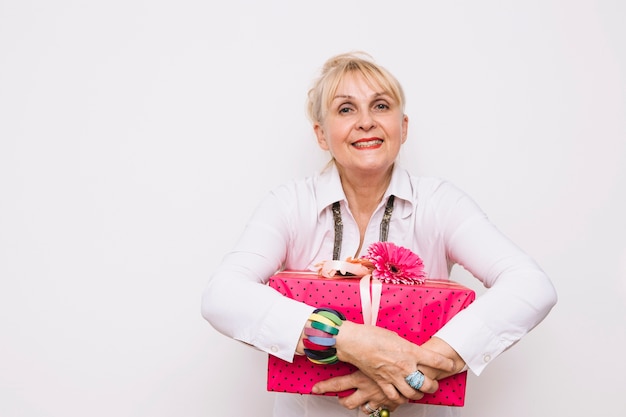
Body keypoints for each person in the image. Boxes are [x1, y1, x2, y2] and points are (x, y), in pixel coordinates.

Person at [201, 51, 557, 417]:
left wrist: (416, 366)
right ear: (322, 134)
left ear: (403, 127)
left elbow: (531, 286)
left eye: (381, 106)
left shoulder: (440, 203)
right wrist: (347, 340)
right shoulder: (289, 204)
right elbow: (222, 296)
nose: (366, 122)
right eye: (345, 109)